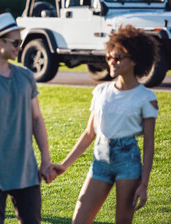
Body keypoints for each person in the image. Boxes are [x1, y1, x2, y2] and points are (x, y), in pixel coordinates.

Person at [0, 12, 63, 224]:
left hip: (27, 170)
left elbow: (37, 119)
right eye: (16, 42)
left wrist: (45, 160)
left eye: (21, 42)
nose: (20, 47)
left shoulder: (25, 76)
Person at [56, 25, 159, 224]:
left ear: (135, 60)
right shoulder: (101, 91)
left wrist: (144, 184)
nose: (112, 62)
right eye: (109, 57)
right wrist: (64, 165)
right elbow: (89, 133)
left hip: (128, 162)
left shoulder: (146, 98)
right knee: (79, 220)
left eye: (118, 58)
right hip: (100, 160)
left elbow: (149, 144)